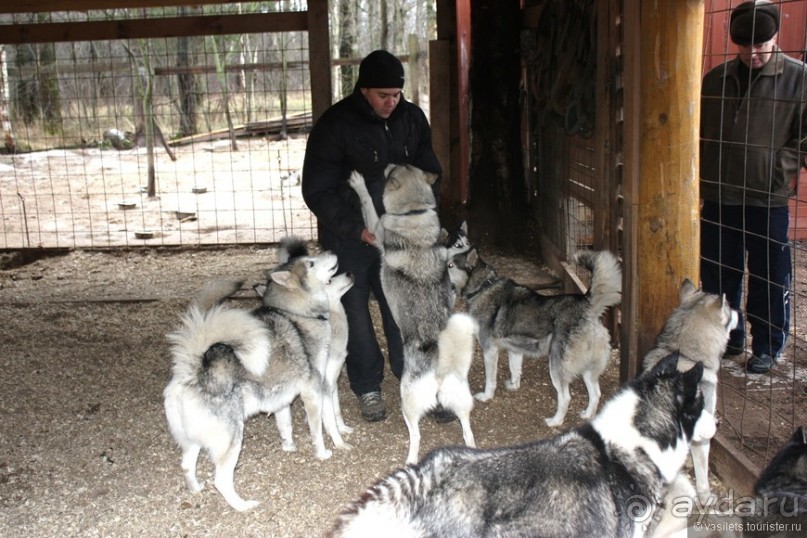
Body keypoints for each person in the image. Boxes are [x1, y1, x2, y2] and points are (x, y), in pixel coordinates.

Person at [302, 50, 446, 421]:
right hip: (349, 236)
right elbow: (317, 189)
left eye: (396, 95)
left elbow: (430, 173)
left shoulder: (411, 119)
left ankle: (418, 383)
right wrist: (355, 228)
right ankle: (367, 387)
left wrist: (422, 219)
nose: (391, 102)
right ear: (364, 89)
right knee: (355, 314)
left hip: (400, 236)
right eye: (383, 95)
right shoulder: (335, 124)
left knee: (404, 312)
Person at [700, 1, 807, 374]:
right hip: (719, 193)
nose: (753, 53)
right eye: (744, 46)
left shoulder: (799, 78)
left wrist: (781, 168)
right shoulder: (716, 78)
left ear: (775, 37)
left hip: (767, 197)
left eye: (761, 44)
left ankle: (767, 344)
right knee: (718, 274)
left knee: (768, 275)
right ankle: (728, 338)